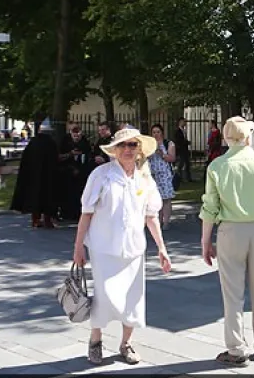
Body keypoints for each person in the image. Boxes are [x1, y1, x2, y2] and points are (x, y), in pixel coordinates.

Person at [73, 127, 171, 365]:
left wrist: (161, 248)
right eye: (123, 146)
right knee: (104, 297)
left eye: (132, 145)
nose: (128, 150)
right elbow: (86, 213)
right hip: (103, 247)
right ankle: (96, 340)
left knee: (133, 298)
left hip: (134, 248)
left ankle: (126, 343)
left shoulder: (144, 179)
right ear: (114, 150)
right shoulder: (101, 175)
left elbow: (151, 216)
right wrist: (78, 248)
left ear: (139, 150)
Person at [200, 116, 254, 367]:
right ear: (248, 137)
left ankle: (237, 348)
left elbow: (210, 207)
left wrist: (205, 241)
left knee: (232, 294)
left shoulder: (217, 166)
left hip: (231, 231)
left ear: (227, 138)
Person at [10, 118, 59, 229]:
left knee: (35, 198)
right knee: (48, 198)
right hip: (48, 177)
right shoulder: (51, 143)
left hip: (33, 177)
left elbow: (26, 160)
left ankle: (35, 220)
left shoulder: (33, 142)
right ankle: (47, 220)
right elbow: (54, 160)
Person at [57, 125, 93, 222]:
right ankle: (66, 213)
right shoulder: (65, 142)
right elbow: (59, 157)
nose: (76, 137)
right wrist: (70, 154)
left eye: (78, 135)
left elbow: (89, 155)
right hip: (67, 172)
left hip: (81, 172)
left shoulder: (85, 142)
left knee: (79, 193)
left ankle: (77, 213)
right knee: (67, 193)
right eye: (74, 135)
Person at [149, 124, 177, 230]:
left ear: (162, 133)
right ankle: (158, 221)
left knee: (166, 198)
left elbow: (172, 158)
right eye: (154, 132)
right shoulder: (150, 144)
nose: (156, 134)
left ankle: (166, 222)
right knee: (156, 199)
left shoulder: (168, 143)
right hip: (153, 174)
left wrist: (162, 154)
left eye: (158, 132)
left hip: (165, 174)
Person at [174, 118, 193, 182]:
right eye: (184, 122)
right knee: (181, 164)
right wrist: (186, 142)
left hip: (185, 150)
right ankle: (179, 178)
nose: (185, 123)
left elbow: (183, 139)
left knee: (187, 164)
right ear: (180, 122)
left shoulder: (183, 130)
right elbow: (179, 141)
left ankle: (188, 178)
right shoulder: (177, 131)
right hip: (181, 150)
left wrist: (187, 142)